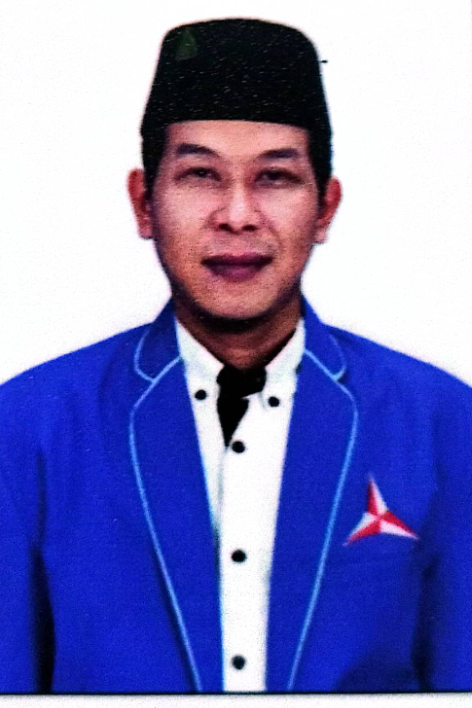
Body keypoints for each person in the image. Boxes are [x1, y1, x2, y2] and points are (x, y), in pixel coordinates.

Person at [0, 17, 472, 694]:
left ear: (325, 207)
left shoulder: (444, 424)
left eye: (276, 177)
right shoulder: (28, 428)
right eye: (200, 175)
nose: (238, 214)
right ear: (144, 203)